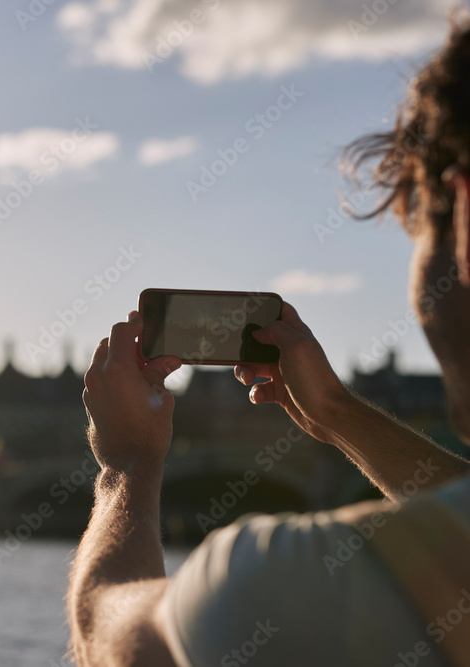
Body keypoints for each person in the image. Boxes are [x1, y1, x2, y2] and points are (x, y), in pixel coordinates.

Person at [69, 18, 470, 667]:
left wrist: (126, 471)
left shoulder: (275, 585)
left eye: (419, 231)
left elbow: (105, 628)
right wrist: (337, 415)